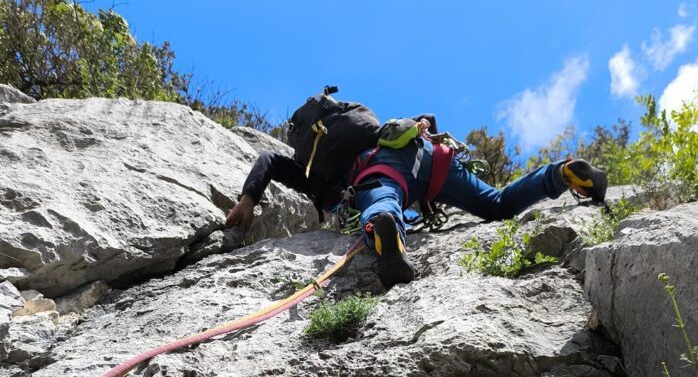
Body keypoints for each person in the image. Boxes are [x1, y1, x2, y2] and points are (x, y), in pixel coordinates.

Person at [225, 106, 608, 289]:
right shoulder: (368, 131)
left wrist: (246, 200)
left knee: (379, 199)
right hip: (431, 157)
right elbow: (426, 118)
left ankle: (384, 228)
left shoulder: (315, 176)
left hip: (383, 169)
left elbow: (269, 159)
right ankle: (561, 173)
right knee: (498, 205)